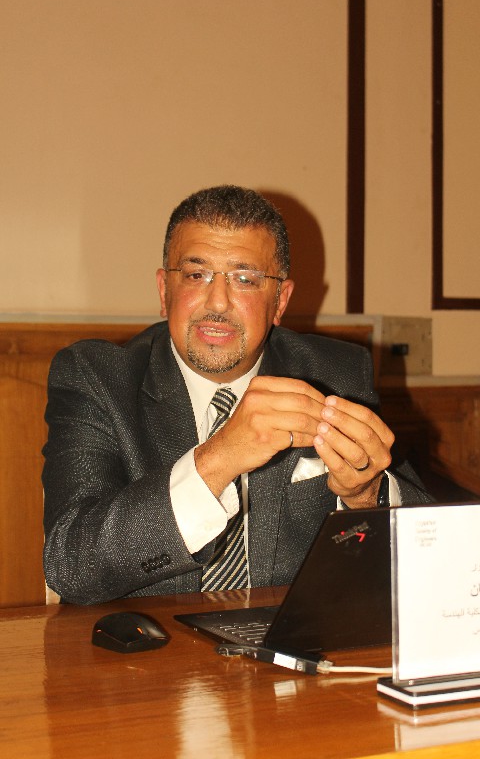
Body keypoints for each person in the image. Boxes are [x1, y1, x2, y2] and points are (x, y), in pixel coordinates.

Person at [43, 185, 431, 604]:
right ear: (164, 290)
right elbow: (71, 566)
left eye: (245, 279)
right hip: (148, 640)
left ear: (280, 301)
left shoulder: (334, 375)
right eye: (196, 275)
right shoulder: (98, 377)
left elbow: (429, 546)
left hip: (289, 634)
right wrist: (218, 458)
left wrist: (365, 496)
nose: (218, 302)